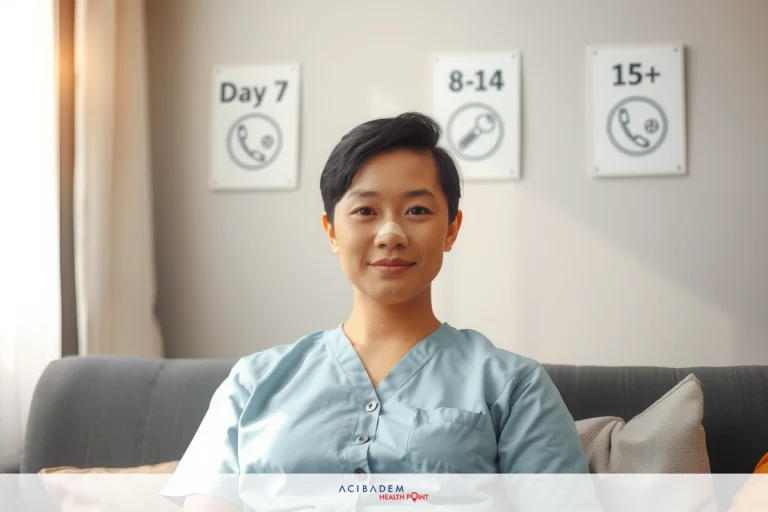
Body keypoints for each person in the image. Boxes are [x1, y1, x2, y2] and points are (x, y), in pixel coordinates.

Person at [162, 112, 591, 511]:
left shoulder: (515, 387)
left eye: (417, 211)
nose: (391, 233)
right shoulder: (252, 382)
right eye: (365, 211)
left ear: (452, 228)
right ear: (331, 230)